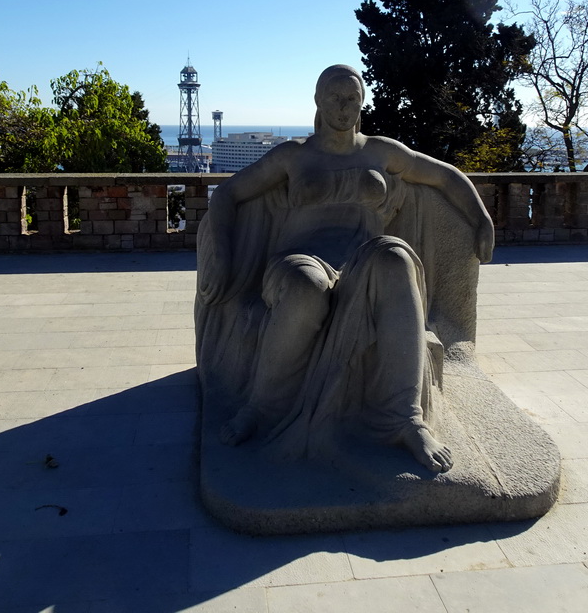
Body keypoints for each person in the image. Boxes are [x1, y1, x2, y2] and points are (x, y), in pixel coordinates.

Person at [196, 65, 494, 473]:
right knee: (308, 289)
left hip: (361, 262)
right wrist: (223, 257)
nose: (343, 107)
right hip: (296, 261)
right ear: (318, 101)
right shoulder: (293, 155)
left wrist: (481, 219)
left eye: (351, 98)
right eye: (334, 98)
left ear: (362, 102)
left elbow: (444, 176)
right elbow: (227, 194)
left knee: (397, 258)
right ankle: (261, 408)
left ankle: (406, 419)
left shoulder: (380, 151)